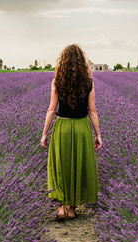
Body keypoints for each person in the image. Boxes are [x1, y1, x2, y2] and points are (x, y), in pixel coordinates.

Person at [40, 43, 103, 221]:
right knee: (77, 165)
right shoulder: (88, 81)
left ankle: (61, 208)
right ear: (82, 61)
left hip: (62, 127)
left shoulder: (57, 81)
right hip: (82, 127)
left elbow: (52, 109)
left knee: (61, 166)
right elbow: (93, 111)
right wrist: (98, 134)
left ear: (63, 61)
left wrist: (45, 133)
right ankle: (73, 210)